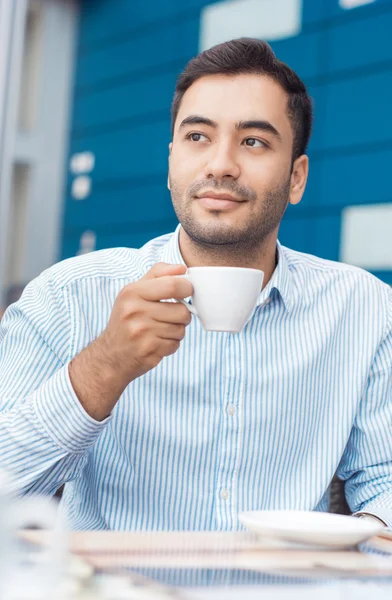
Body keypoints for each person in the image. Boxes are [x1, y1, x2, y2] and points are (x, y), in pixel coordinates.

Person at [0, 38, 391, 531]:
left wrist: (368, 539)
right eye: (198, 137)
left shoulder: (366, 309)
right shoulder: (67, 296)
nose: (220, 164)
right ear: (171, 162)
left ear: (296, 177)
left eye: (253, 141)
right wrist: (104, 367)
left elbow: (385, 478)